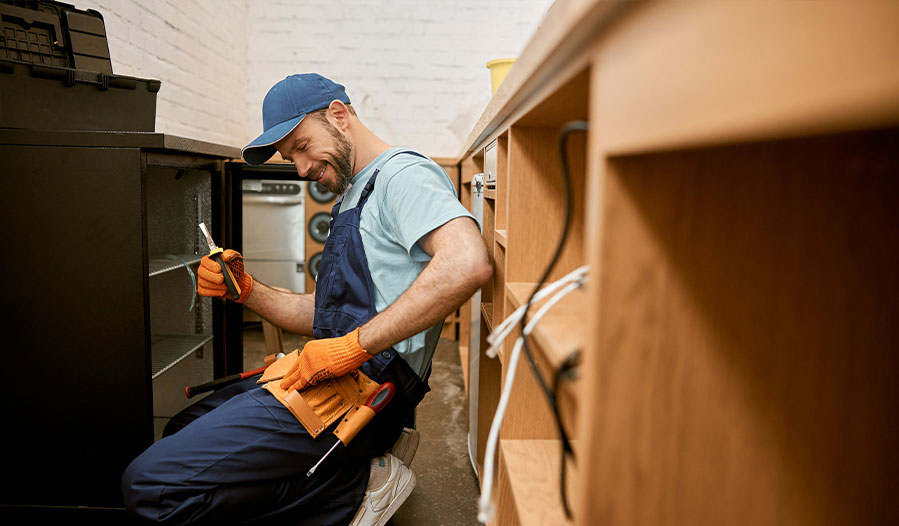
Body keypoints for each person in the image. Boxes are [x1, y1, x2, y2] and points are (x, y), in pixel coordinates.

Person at [121, 73, 491, 525]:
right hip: (327, 372)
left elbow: (467, 263)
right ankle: (350, 477)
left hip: (365, 392)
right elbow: (323, 314)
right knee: (183, 429)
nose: (299, 168)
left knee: (151, 486)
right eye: (288, 156)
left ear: (338, 114)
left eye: (301, 146)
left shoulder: (403, 176)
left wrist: (353, 346)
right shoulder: (355, 193)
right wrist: (248, 290)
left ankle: (351, 489)